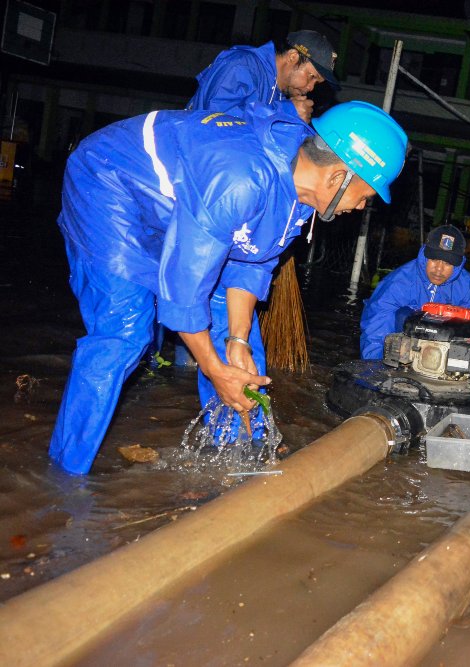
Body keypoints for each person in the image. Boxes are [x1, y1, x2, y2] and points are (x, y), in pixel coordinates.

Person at [48, 100, 409, 475]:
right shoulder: (240, 179)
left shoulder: (299, 192)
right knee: (124, 332)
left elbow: (250, 261)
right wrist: (214, 370)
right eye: (366, 196)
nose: (363, 206)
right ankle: (64, 473)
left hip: (182, 205)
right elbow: (183, 294)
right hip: (110, 185)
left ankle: (231, 453)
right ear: (338, 178)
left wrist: (236, 342)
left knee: (238, 338)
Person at [359, 225, 470, 360]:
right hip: (403, 347)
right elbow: (376, 324)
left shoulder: (469, 288)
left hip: (443, 352)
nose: (439, 269)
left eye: (448, 263)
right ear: (425, 255)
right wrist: (375, 362)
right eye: (434, 259)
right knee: (402, 315)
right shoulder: (399, 282)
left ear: (458, 265)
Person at [188, 30, 338, 124]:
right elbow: (215, 119)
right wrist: (284, 112)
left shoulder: (277, 92)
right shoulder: (241, 65)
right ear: (293, 57)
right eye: (312, 76)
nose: (311, 87)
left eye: (316, 83)